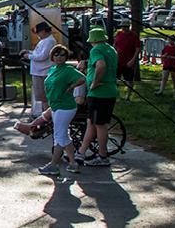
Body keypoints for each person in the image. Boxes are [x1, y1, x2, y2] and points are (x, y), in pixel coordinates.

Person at [39, 45, 86, 176]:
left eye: (62, 55)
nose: (59, 57)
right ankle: (73, 163)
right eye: (56, 54)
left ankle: (53, 164)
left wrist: (72, 86)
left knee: (59, 137)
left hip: (65, 107)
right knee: (63, 135)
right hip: (55, 106)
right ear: (52, 56)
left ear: (66, 57)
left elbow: (83, 78)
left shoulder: (68, 70)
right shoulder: (53, 69)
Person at [77, 27, 118, 166]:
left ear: (93, 40)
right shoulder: (111, 49)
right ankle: (81, 152)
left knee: (99, 125)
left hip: (99, 93)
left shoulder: (96, 50)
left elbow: (101, 65)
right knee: (92, 123)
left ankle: (102, 155)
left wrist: (94, 83)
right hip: (110, 90)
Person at [22, 22, 57, 116]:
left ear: (44, 31)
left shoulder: (49, 41)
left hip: (43, 72)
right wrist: (29, 52)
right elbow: (38, 53)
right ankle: (44, 115)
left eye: (38, 32)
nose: (37, 34)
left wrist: (28, 56)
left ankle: (46, 116)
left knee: (44, 97)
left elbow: (42, 56)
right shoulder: (45, 40)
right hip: (39, 72)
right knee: (42, 97)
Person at [113, 22, 141, 100]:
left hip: (128, 61)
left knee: (129, 79)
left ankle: (128, 96)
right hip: (118, 60)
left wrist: (132, 60)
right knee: (114, 78)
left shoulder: (134, 35)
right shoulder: (118, 34)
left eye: (125, 27)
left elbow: (137, 49)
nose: (123, 28)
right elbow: (115, 46)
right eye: (122, 27)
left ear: (128, 27)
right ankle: (115, 94)